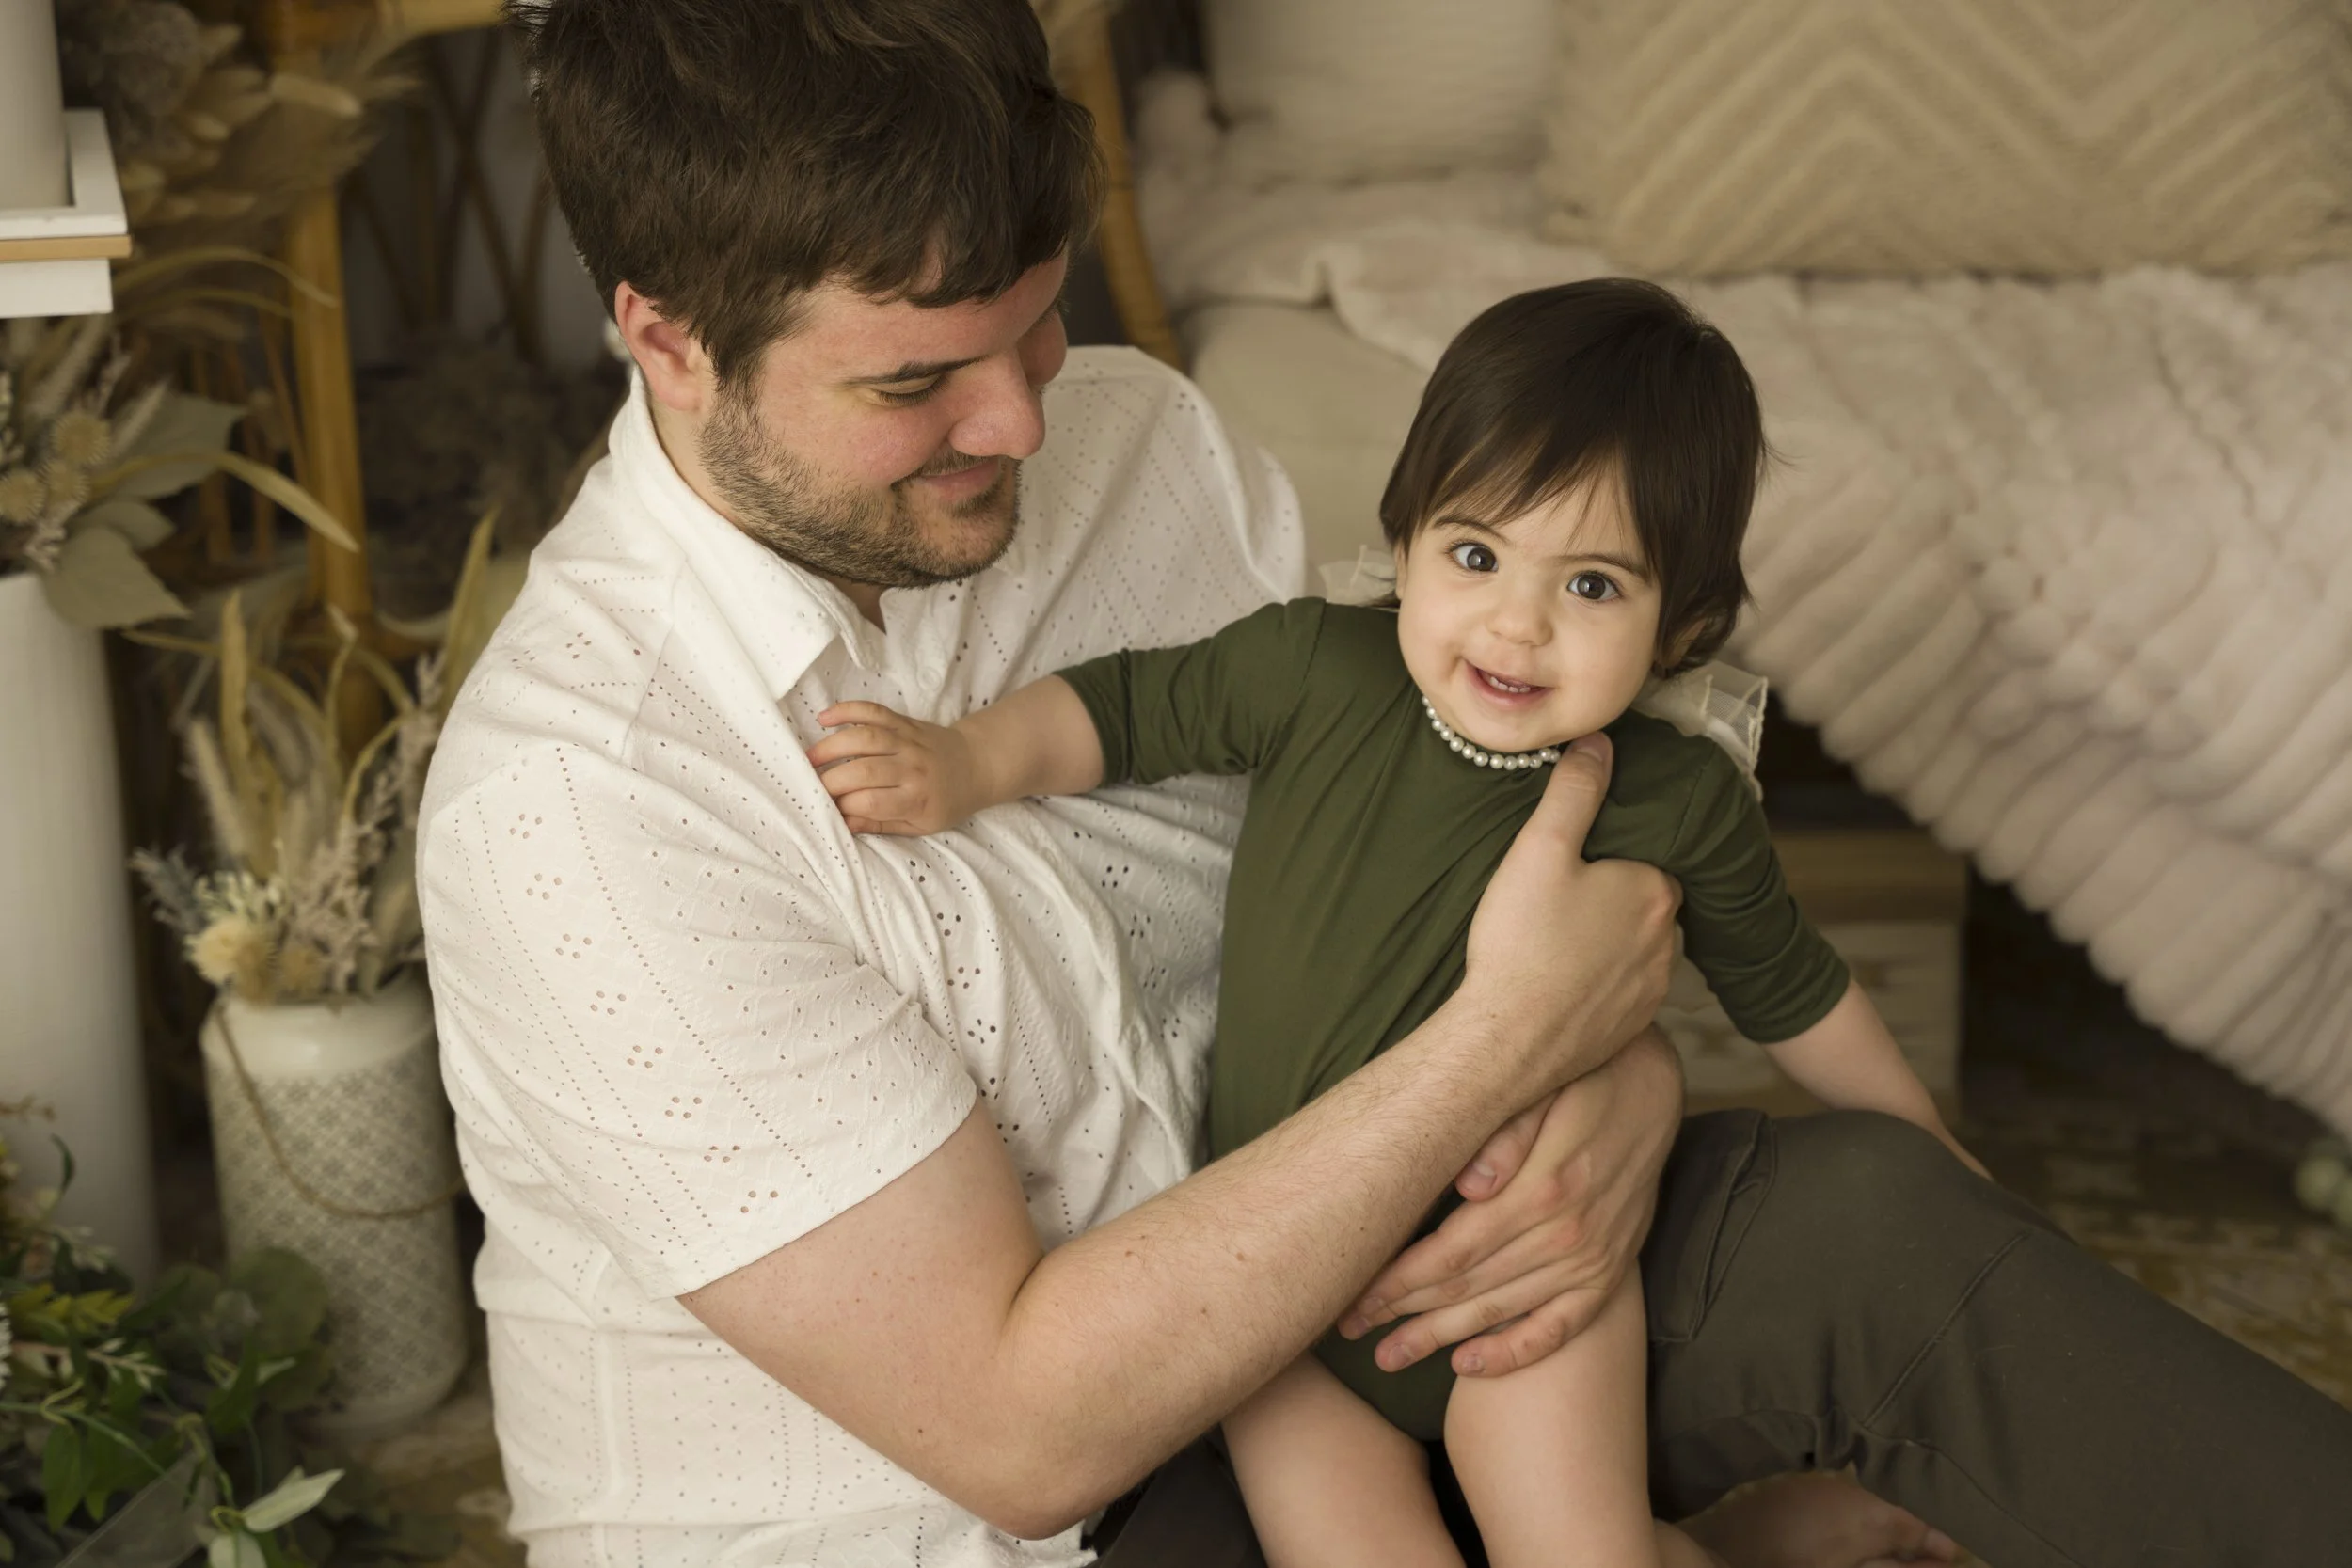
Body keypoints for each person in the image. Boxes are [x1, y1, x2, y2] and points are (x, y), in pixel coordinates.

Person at [417, 3, 2352, 1565]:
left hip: (1359, 1264)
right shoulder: (582, 804)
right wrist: (1514, 1039)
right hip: (1026, 1512)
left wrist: (1608, 1073)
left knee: (1881, 1237)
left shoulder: (1135, 448)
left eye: (1039, 316)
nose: (1021, 415)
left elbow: (1414, 827)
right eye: (919, 380)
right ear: (663, 336)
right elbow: (1018, 1428)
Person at [800, 278, 1985, 1568]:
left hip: (1518, 1279)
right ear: (1408, 540)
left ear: (1681, 624)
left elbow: (1791, 989)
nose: (1515, 624)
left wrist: (1929, 1151)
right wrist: (966, 761)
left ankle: (1751, 1538)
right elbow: (1127, 710)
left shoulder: (1678, 794)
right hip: (1282, 1301)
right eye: (1475, 556)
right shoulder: (1321, 671)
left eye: (1591, 585)